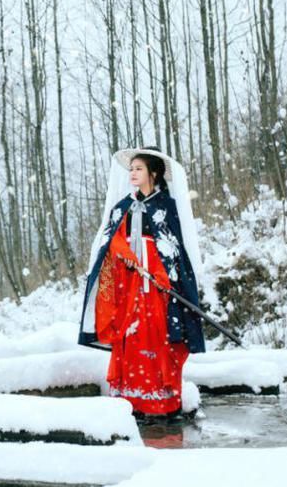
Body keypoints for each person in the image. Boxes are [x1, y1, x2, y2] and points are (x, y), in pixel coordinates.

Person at [77, 145, 206, 420]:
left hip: (158, 288)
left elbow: (175, 249)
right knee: (131, 336)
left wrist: (160, 274)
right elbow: (109, 242)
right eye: (131, 169)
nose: (133, 173)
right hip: (128, 285)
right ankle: (132, 400)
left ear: (153, 173)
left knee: (159, 336)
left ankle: (160, 402)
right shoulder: (122, 206)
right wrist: (124, 253)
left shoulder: (167, 207)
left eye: (139, 169)